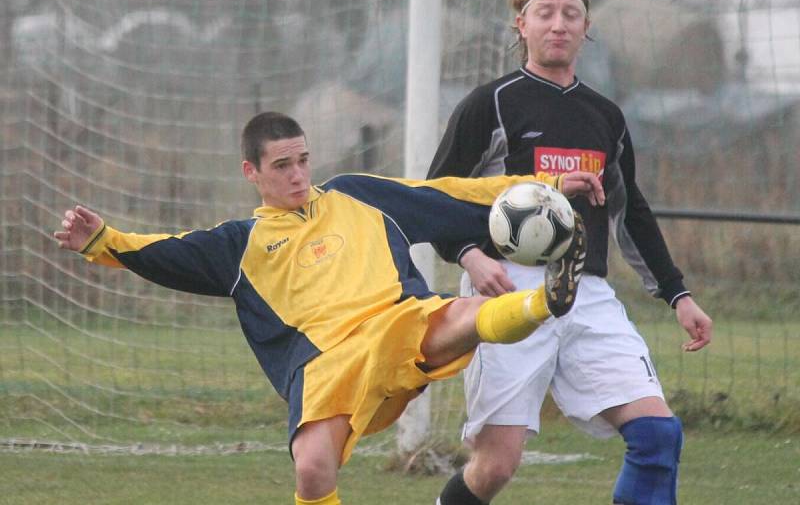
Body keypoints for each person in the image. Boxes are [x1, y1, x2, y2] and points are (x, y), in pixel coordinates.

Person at [54, 111, 604, 505]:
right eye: (282, 165)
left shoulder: (357, 196)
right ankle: (535, 303)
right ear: (252, 173)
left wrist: (545, 181)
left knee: (455, 318)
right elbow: (165, 252)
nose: (297, 174)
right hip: (323, 366)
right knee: (313, 471)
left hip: (395, 322)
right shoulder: (240, 244)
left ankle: (542, 300)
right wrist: (102, 239)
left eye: (303, 160)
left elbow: (450, 193)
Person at [428, 0, 713, 505]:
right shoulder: (490, 104)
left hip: (586, 291)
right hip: (507, 294)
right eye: (545, 13)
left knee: (658, 435)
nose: (558, 24)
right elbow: (437, 199)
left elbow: (632, 212)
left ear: (586, 28)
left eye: (570, 14)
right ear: (522, 26)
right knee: (496, 464)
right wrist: (469, 257)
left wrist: (678, 294)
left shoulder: (606, 115)